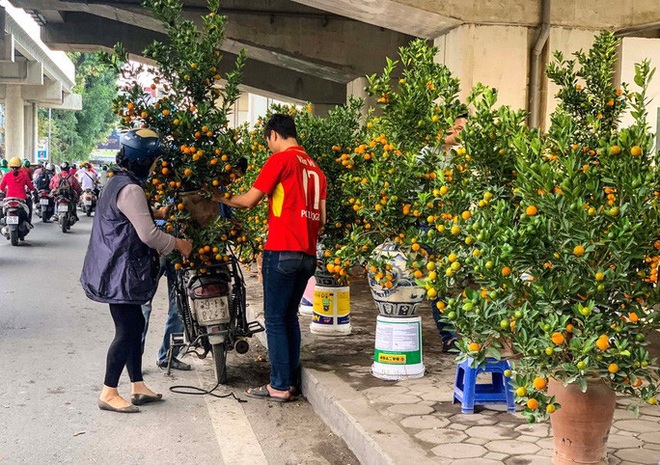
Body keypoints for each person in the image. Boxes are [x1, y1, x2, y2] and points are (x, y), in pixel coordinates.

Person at [213, 114, 326, 402]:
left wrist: (221, 198)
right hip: (307, 254)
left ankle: (278, 385)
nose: (269, 146)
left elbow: (250, 200)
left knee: (275, 319)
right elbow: (321, 219)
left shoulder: (280, 160)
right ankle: (290, 382)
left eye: (268, 141)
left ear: (274, 134)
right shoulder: (316, 169)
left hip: (282, 250)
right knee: (289, 317)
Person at [80, 128, 193, 413]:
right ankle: (108, 392)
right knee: (127, 331)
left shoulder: (118, 181)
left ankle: (138, 385)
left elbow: (130, 213)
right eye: (154, 161)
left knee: (133, 327)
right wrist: (179, 244)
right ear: (143, 160)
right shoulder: (131, 188)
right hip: (120, 272)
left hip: (114, 268)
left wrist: (156, 212)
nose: (156, 167)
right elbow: (149, 235)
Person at [432, 113, 468, 352]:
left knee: (454, 282)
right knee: (439, 282)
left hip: (457, 227)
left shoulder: (463, 157)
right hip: (432, 225)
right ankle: (449, 335)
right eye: (455, 128)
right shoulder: (430, 154)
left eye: (463, 129)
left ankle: (457, 334)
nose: (458, 133)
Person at [0, 157, 35, 225]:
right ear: (20, 166)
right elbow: (31, 187)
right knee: (29, 202)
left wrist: (6, 190)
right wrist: (31, 189)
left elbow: (1, 188)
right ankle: (29, 222)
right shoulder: (24, 175)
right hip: (21, 198)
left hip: (9, 198)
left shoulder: (7, 175)